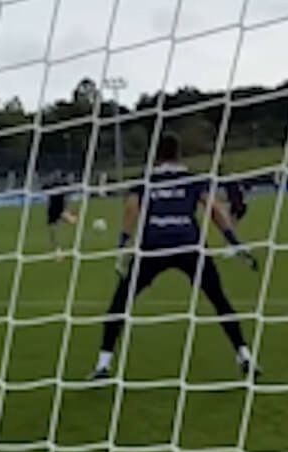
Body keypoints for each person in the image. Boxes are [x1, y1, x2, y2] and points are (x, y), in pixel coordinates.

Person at [91, 133, 259, 380]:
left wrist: (122, 244)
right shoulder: (192, 179)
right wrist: (234, 242)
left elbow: (131, 209)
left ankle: (103, 364)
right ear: (179, 154)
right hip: (189, 244)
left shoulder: (146, 180)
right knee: (219, 299)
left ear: (156, 156)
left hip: (154, 245)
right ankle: (244, 355)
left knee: (121, 302)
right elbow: (213, 209)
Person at [45, 171, 78, 256]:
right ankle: (58, 249)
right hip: (55, 210)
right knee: (54, 231)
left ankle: (59, 248)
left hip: (57, 210)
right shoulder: (57, 185)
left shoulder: (58, 185)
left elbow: (68, 195)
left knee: (55, 230)